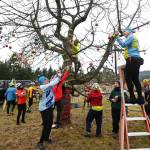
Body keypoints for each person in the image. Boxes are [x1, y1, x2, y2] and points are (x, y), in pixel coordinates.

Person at [115, 27, 144, 105]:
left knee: (128, 78)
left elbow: (123, 44)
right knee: (135, 79)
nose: (124, 33)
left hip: (131, 60)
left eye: (125, 31)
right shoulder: (134, 38)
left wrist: (117, 37)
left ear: (129, 31)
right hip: (136, 60)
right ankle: (140, 98)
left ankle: (132, 98)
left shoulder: (131, 36)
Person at [37, 71, 61, 150]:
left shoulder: (47, 85)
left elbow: (52, 81)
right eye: (46, 79)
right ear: (43, 82)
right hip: (44, 109)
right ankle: (40, 142)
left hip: (49, 107)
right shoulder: (42, 87)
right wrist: (58, 76)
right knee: (46, 124)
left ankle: (46, 138)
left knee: (50, 123)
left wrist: (57, 74)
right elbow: (52, 83)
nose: (47, 80)